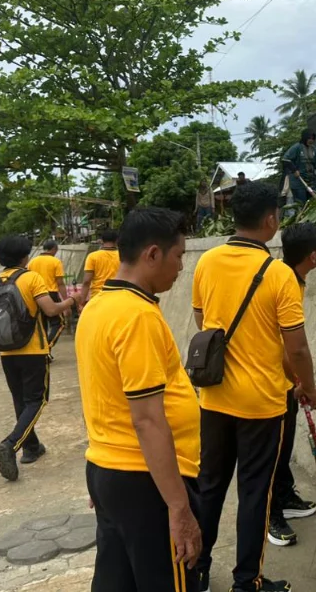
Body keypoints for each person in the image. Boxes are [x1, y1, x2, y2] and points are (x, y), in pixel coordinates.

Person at [192, 181, 316, 592]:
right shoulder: (279, 275)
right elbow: (297, 347)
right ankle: (246, 581)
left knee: (210, 487)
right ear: (270, 220)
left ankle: (196, 571)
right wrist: (309, 388)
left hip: (213, 397)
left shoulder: (207, 262)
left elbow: (203, 321)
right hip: (262, 405)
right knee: (255, 493)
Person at [77, 207, 203, 592]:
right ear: (152, 254)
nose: (181, 267)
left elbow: (101, 394)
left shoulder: (98, 307)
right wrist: (179, 509)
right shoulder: (136, 317)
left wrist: (104, 474)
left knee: (117, 581)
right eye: (179, 255)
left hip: (110, 469)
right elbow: (147, 420)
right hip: (146, 481)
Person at [0, 235, 80, 481]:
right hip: (33, 351)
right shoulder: (30, 278)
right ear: (25, 256)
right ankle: (11, 444)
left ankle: (31, 448)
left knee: (20, 401)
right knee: (37, 400)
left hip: (6, 353)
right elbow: (50, 310)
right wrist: (71, 300)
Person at [268, 222, 316, 548]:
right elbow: (292, 348)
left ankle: (285, 495)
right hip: (269, 382)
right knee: (275, 452)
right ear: (314, 255)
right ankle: (272, 515)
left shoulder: (290, 276)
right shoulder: (286, 282)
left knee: (284, 446)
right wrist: (306, 386)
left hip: (281, 380)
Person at [28, 239, 68, 350]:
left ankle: (43, 350)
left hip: (36, 295)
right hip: (51, 295)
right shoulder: (55, 262)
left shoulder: (32, 262)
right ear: (54, 249)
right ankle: (47, 348)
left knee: (42, 325)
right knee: (59, 323)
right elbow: (60, 283)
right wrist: (66, 301)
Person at [282, 130, 316, 204]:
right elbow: (285, 159)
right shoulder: (297, 147)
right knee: (302, 204)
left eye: (313, 138)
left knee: (314, 204)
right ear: (305, 138)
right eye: (309, 138)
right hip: (299, 182)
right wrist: (294, 170)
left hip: (311, 182)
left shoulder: (314, 149)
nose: (311, 140)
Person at [81, 229, 120, 303]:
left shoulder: (92, 256)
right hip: (118, 296)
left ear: (101, 241)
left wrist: (82, 302)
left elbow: (86, 281)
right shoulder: (123, 256)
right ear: (117, 240)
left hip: (97, 297)